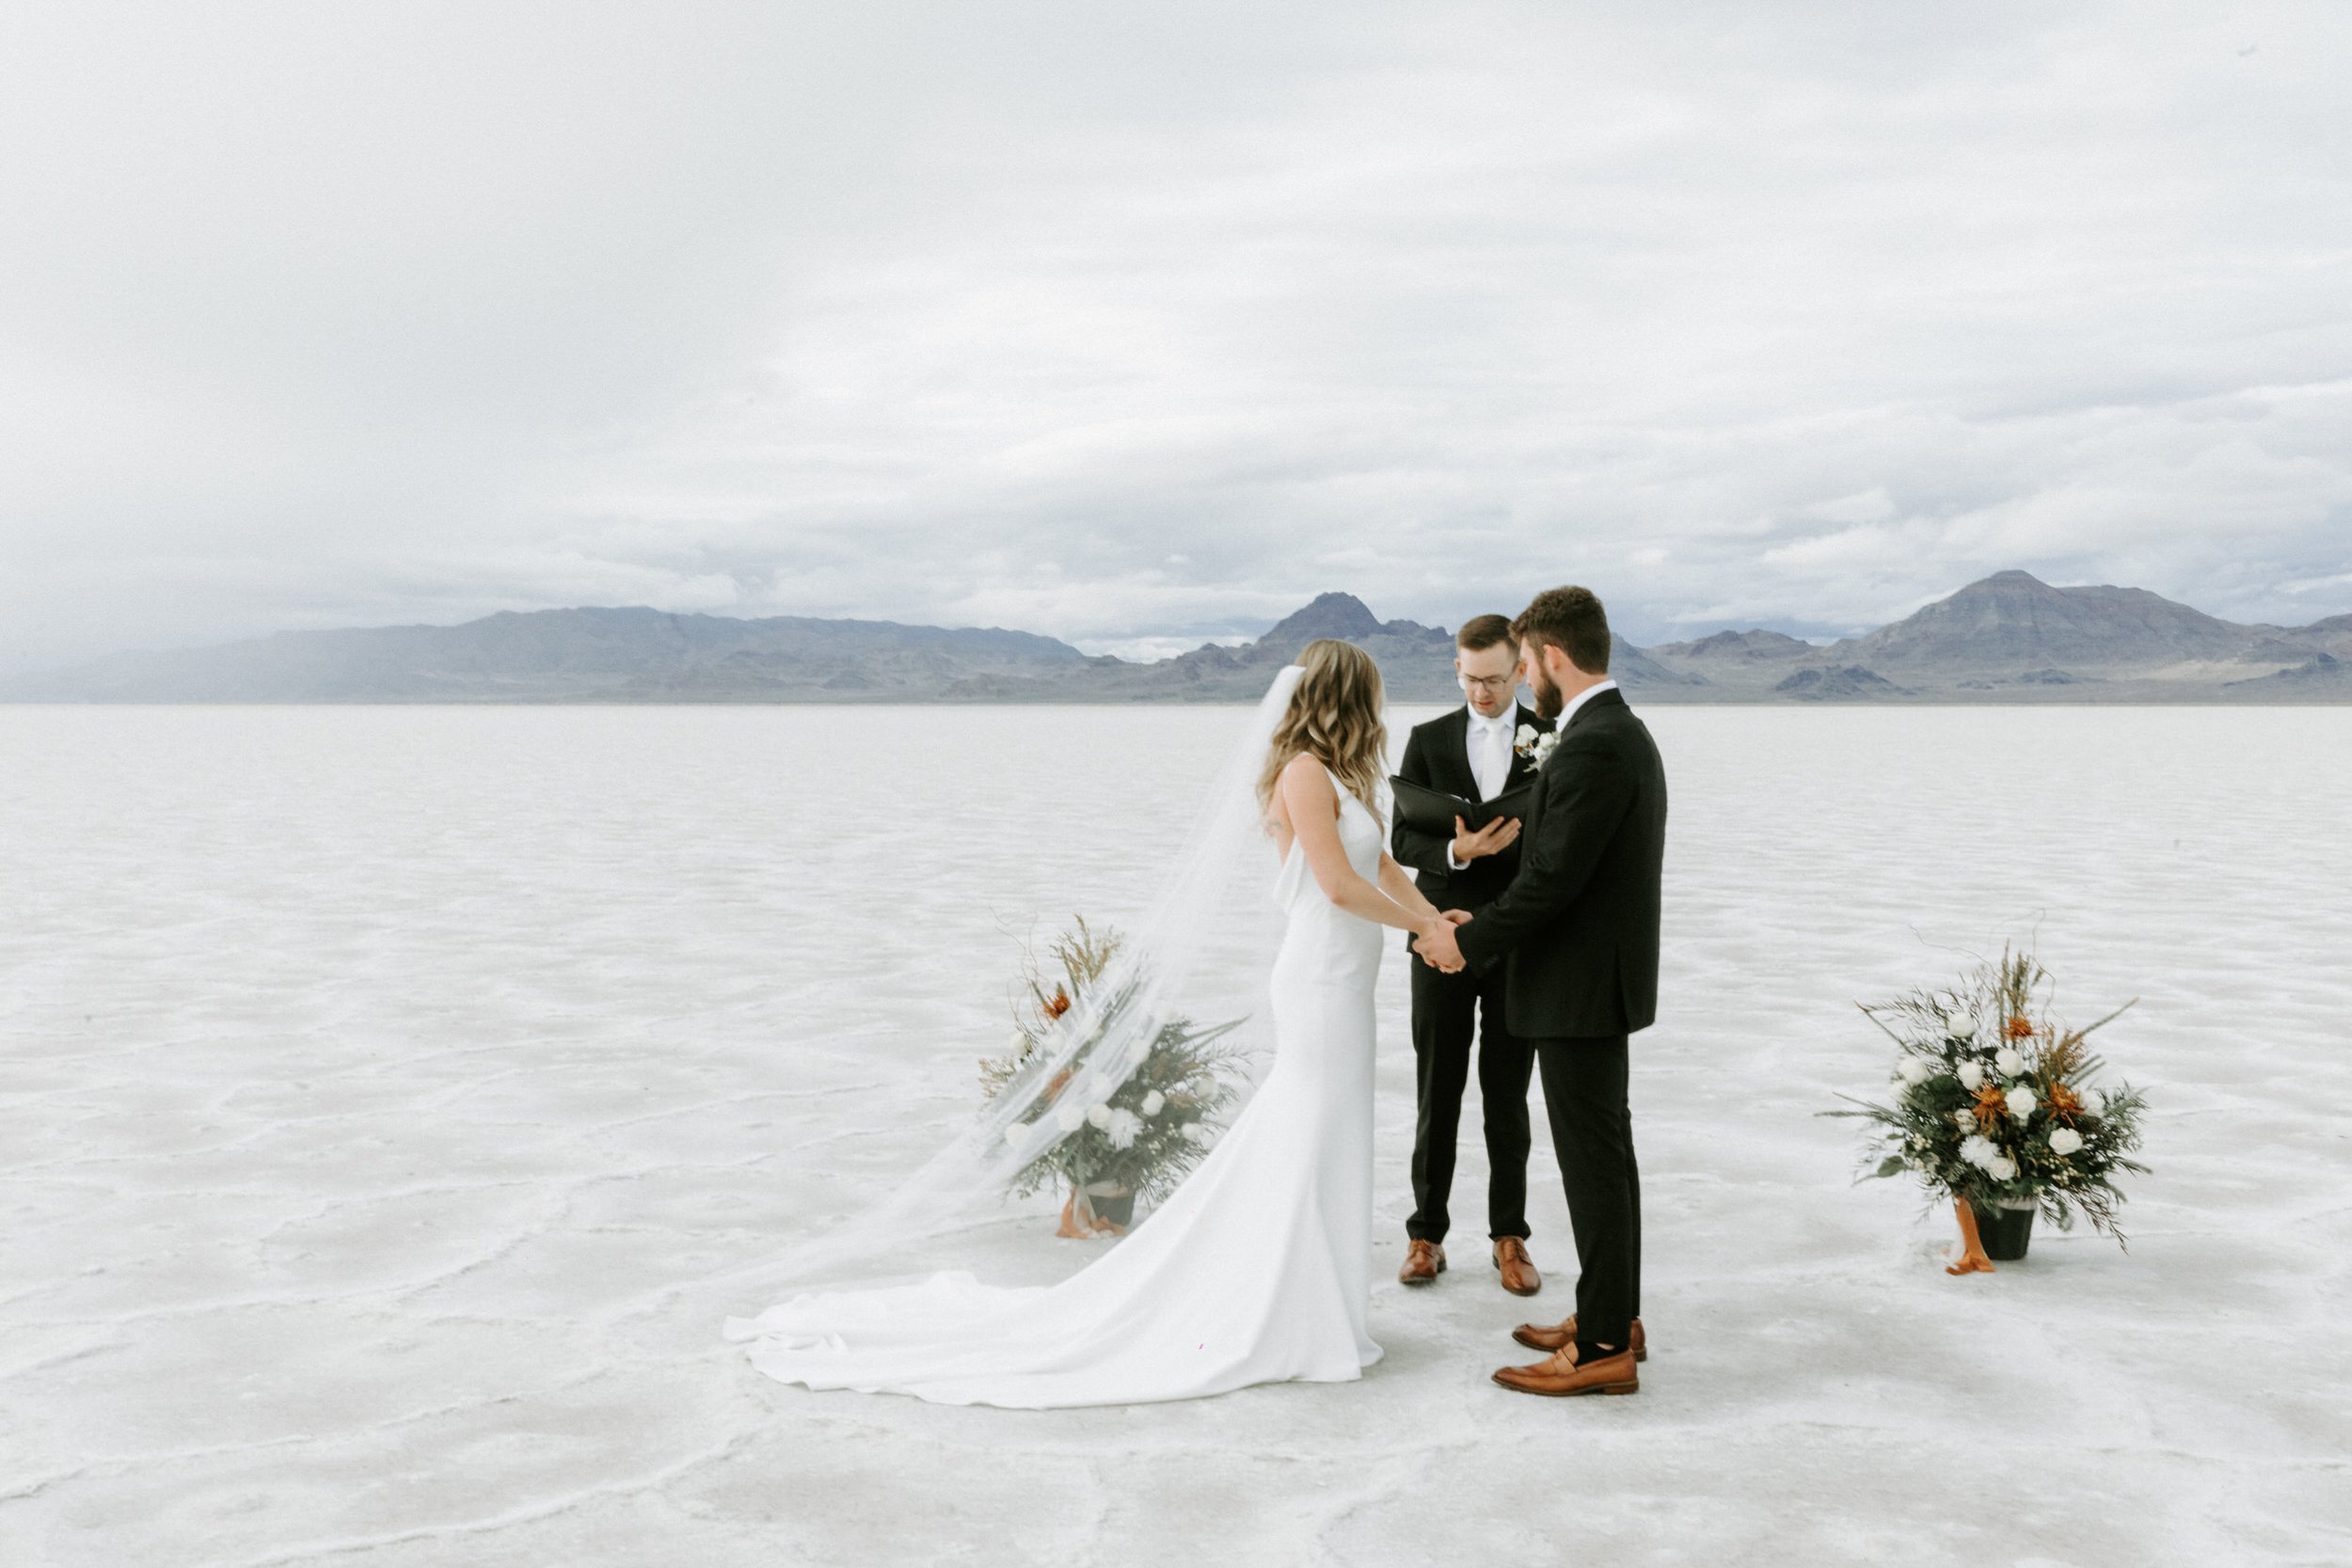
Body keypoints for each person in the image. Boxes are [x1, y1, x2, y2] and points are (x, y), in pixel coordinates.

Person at [725, 639, 1461, 1407]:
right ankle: (1284, 1307)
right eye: (1371, 695)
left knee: (1333, 1131)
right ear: (1350, 696)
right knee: (1305, 1127)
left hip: (1349, 980)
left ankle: (1323, 1307)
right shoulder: (1303, 774)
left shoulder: (1345, 776)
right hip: (1317, 977)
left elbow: (1380, 871)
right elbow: (1338, 886)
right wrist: (1427, 936)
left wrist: (1432, 917)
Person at [1416, 586, 1667, 1398]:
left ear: (1551, 658)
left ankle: (1599, 1347)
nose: (1522, 680)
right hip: (1590, 985)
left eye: (1524, 664)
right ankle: (1613, 1312)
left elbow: (1553, 878)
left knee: (1596, 1166)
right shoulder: (1610, 730)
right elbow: (1561, 871)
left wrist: (1466, 940)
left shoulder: (1594, 743)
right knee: (1608, 1161)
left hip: (1579, 991)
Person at [1389, 614, 1552, 1295]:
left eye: (1492, 678)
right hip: (1438, 932)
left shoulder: (1550, 737)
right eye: (1468, 676)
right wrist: (1461, 851)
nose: (1480, 691)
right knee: (1438, 1086)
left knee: (1508, 1094)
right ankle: (1426, 1233)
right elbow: (1402, 840)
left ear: (1520, 669)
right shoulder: (1427, 739)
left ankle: (1508, 1236)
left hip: (1517, 938)